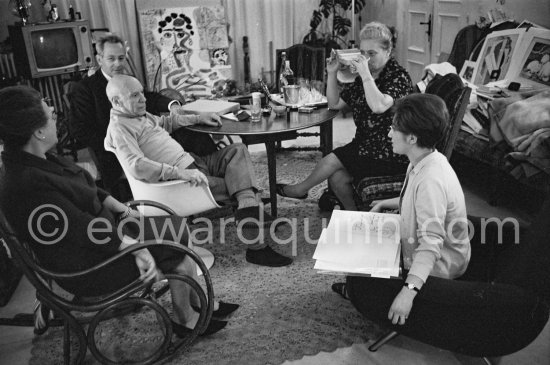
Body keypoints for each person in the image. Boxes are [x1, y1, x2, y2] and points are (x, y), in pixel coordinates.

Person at [0, 85, 237, 337]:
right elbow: (81, 227)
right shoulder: (26, 183)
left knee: (174, 227)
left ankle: (198, 303)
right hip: (88, 264)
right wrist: (133, 247)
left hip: (102, 236)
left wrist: (122, 209)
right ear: (37, 132)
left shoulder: (39, 160)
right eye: (51, 115)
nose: (55, 117)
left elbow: (88, 188)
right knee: (173, 245)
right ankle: (185, 319)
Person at [104, 74, 292, 267]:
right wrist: (180, 173)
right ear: (117, 101)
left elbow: (167, 123)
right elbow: (136, 166)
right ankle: (257, 246)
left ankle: (248, 209)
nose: (143, 99)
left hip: (192, 163)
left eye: (142, 93)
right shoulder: (120, 128)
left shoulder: (138, 116)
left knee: (237, 151)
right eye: (135, 96)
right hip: (178, 182)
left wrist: (199, 118)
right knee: (240, 185)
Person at [331, 93, 470, 323]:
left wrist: (408, 293)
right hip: (419, 243)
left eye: (394, 129)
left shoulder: (431, 181)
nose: (388, 134)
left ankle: (368, 292)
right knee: (355, 245)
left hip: (439, 264)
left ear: (412, 138)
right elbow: (416, 199)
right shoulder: (425, 159)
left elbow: (431, 244)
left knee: (358, 279)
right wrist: (388, 202)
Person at [276, 22, 413, 210]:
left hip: (389, 151)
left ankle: (299, 190)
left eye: (372, 54)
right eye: (362, 53)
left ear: (388, 52)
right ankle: (356, 217)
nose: (365, 59)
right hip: (365, 146)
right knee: (336, 177)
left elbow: (379, 106)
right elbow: (335, 104)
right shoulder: (365, 77)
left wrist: (365, 74)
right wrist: (331, 73)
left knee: (330, 161)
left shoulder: (398, 77)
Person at [69, 34, 206, 200]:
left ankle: (206, 178)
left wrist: (173, 105)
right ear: (99, 59)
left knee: (193, 130)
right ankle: (204, 185)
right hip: (118, 152)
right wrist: (121, 142)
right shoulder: (84, 88)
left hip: (148, 137)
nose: (118, 64)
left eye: (121, 58)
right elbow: (79, 129)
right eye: (111, 59)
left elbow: (150, 98)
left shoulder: (129, 80)